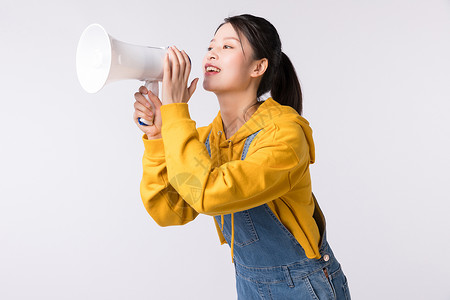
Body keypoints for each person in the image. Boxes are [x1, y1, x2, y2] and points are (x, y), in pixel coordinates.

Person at [133, 14, 351, 299]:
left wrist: (175, 112)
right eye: (211, 46)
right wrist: (159, 137)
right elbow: (170, 210)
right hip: (248, 285)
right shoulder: (208, 139)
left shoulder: (284, 134)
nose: (212, 52)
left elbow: (211, 193)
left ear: (258, 67)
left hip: (303, 287)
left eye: (228, 47)